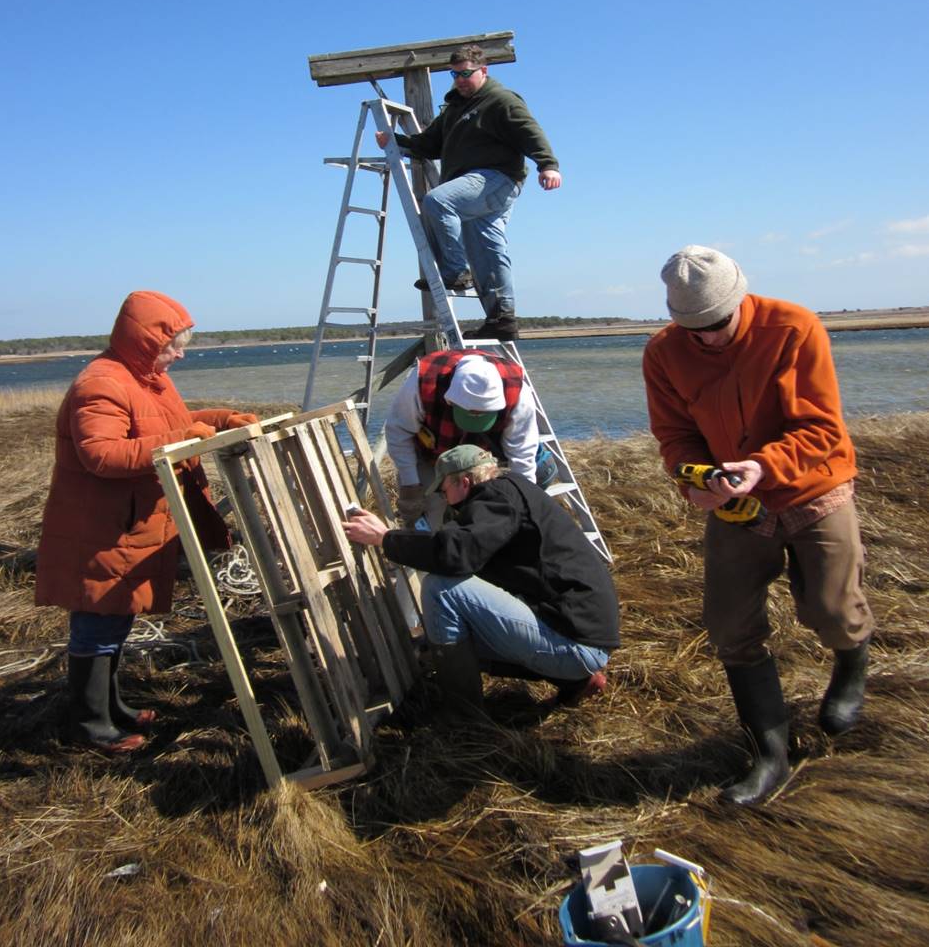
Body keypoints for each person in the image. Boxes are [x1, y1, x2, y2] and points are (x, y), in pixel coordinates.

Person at [642, 245, 875, 806]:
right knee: (728, 628)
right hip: (735, 504)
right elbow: (675, 437)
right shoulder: (663, 353)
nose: (711, 338)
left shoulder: (794, 327)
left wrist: (763, 466)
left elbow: (822, 430)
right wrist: (691, 480)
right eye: (695, 329)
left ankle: (851, 661)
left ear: (740, 297)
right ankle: (770, 754)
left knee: (829, 608)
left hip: (813, 487)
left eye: (719, 324)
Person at [36, 290, 259, 753]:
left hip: (126, 524)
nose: (179, 354)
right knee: (98, 621)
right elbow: (101, 454)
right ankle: (89, 724)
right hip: (103, 529)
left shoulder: (143, 377)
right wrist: (183, 439)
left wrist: (218, 420)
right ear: (143, 341)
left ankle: (112, 709)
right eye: (172, 345)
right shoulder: (100, 383)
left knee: (115, 618)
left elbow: (165, 422)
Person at [343, 444, 620, 720]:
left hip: (576, 644)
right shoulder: (511, 491)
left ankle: (464, 717)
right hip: (582, 635)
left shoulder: (496, 497)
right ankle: (577, 682)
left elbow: (456, 552)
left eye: (443, 490)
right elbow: (463, 550)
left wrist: (385, 538)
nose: (443, 497)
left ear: (464, 482)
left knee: (440, 589)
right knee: (441, 639)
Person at [375, 43, 561, 341]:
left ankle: (455, 272)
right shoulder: (453, 109)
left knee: (438, 200)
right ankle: (501, 319)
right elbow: (429, 145)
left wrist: (548, 165)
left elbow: (530, 132)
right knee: (487, 251)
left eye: (466, 73)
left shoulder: (500, 100)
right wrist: (394, 140)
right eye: (455, 74)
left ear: (483, 71)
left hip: (496, 178)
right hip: (472, 187)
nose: (460, 79)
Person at [385, 348, 546, 529]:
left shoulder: (517, 391)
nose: (475, 418)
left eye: (483, 415)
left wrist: (524, 500)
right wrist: (410, 485)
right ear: (451, 401)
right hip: (431, 455)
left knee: (490, 514)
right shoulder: (423, 380)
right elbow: (399, 432)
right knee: (428, 516)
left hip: (483, 461)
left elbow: (521, 453)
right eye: (469, 414)